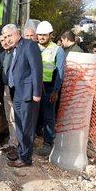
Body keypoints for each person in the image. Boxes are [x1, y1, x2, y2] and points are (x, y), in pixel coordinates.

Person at [0, 24, 43, 168]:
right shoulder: (15, 49)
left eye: (10, 36)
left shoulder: (29, 45)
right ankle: (21, 151)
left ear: (17, 33)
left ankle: (26, 159)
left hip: (28, 94)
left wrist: (36, 92)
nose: (8, 39)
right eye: (5, 37)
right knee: (19, 125)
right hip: (17, 92)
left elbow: (36, 69)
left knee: (27, 127)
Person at [35, 21, 66, 157]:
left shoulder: (57, 50)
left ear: (51, 35)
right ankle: (33, 138)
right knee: (34, 115)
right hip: (34, 86)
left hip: (49, 88)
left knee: (48, 116)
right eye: (39, 35)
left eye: (44, 35)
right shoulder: (33, 47)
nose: (41, 37)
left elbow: (60, 71)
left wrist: (55, 91)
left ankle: (48, 143)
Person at [0, 34, 18, 156]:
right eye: (1, 41)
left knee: (16, 118)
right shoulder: (2, 55)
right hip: (6, 89)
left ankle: (17, 145)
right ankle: (12, 142)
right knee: (10, 118)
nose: (4, 42)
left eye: (5, 39)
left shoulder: (16, 54)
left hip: (17, 90)